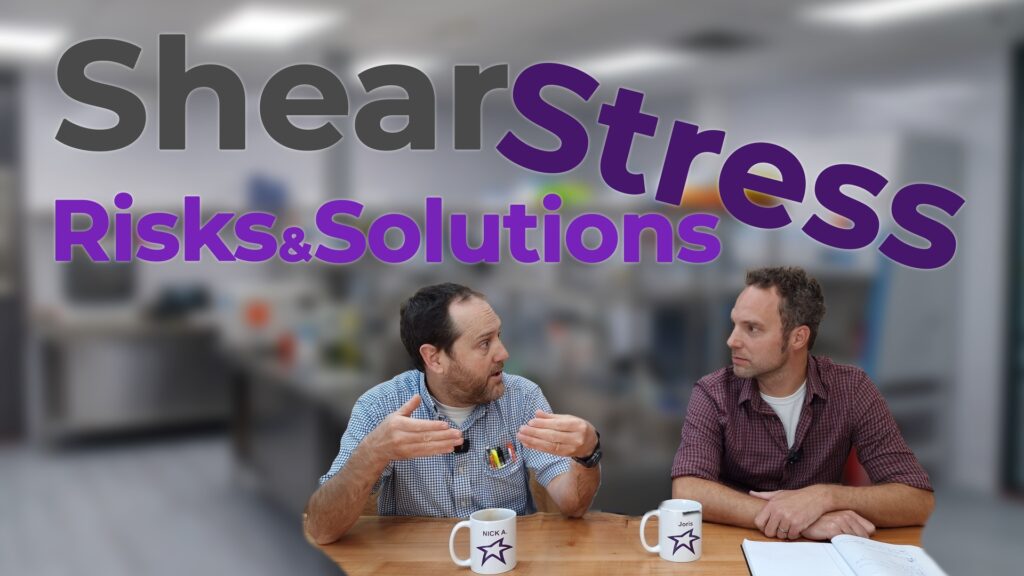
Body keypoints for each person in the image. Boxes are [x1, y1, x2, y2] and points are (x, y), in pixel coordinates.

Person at [306, 283, 602, 544]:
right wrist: (372, 453)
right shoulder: (380, 406)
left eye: (498, 335)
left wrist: (587, 455)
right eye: (484, 343)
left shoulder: (522, 398)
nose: (503, 353)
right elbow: (321, 529)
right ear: (434, 358)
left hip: (508, 562)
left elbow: (572, 505)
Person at [671, 266, 934, 541]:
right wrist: (797, 520)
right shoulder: (712, 392)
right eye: (735, 324)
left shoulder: (852, 389)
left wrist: (825, 497)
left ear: (798, 337)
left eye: (752, 328)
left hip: (822, 559)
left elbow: (917, 500)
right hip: (733, 551)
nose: (732, 340)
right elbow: (687, 489)